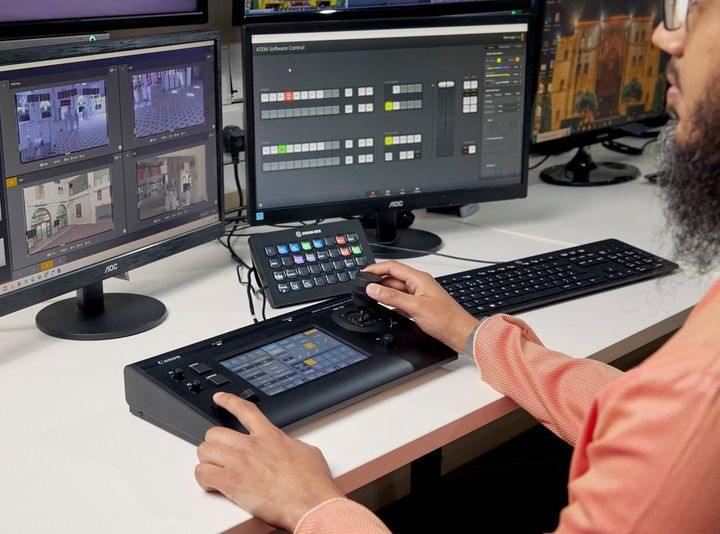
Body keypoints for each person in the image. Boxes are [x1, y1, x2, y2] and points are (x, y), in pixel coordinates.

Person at [195, 3, 720, 533]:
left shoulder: (698, 395)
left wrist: (310, 505)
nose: (663, 35)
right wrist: (471, 334)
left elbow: (672, 423)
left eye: (694, 12)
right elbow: (634, 416)